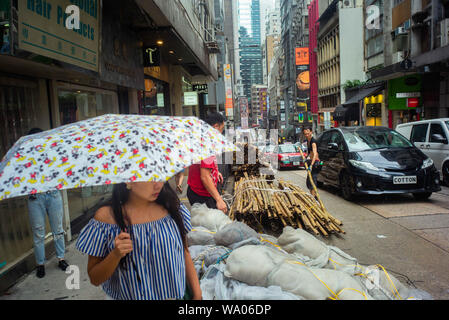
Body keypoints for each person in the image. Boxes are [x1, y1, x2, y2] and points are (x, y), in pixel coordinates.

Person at [76, 181, 202, 300]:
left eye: (160, 176)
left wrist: (197, 294)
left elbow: (184, 253)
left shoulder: (172, 208)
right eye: (150, 178)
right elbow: (95, 278)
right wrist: (115, 255)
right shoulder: (106, 218)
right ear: (128, 181)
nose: (158, 185)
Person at [26, 128, 69, 278]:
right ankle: (40, 263)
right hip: (35, 198)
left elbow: (62, 170)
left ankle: (61, 258)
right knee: (38, 232)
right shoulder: (25, 157)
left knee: (57, 229)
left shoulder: (52, 153)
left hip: (53, 194)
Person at [187, 112, 227, 214]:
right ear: (215, 127)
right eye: (222, 129)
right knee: (211, 227)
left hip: (194, 190)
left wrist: (215, 172)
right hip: (201, 195)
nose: (221, 133)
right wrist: (219, 200)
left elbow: (201, 165)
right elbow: (204, 177)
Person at [303, 126, 320, 199]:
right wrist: (306, 157)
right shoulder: (308, 141)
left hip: (315, 163)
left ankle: (314, 198)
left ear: (311, 132)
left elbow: (315, 153)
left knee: (312, 181)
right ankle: (313, 196)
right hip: (311, 162)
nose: (307, 135)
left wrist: (311, 165)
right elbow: (310, 152)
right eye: (305, 134)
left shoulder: (313, 142)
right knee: (309, 182)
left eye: (308, 133)